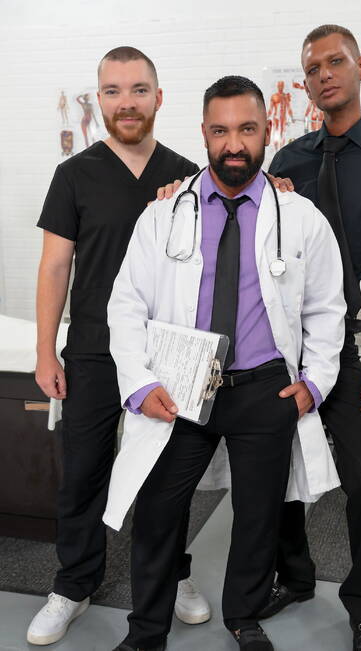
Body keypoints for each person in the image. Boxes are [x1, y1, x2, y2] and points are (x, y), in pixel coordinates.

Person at [105, 75, 346, 651]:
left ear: (267, 132)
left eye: (246, 129)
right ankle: (146, 631)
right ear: (204, 134)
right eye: (220, 131)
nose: (233, 144)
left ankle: (244, 614)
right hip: (182, 385)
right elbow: (126, 304)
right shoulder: (163, 214)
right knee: (159, 511)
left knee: (259, 514)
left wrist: (314, 383)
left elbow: (327, 307)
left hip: (265, 388)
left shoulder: (301, 217)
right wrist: (139, 385)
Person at [27, 46, 211, 646]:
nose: (126, 102)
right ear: (100, 99)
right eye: (113, 91)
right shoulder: (74, 175)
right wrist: (45, 351)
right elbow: (55, 268)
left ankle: (173, 574)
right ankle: (73, 585)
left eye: (138, 90)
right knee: (83, 473)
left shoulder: (189, 176)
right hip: (92, 351)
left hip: (168, 355)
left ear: (159, 97)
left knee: (165, 478)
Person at [259, 24, 361, 651]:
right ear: (305, 83)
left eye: (335, 62)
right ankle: (294, 575)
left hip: (342, 345)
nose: (324, 74)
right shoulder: (287, 161)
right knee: (275, 470)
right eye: (313, 68)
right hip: (280, 344)